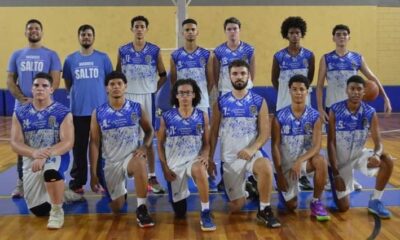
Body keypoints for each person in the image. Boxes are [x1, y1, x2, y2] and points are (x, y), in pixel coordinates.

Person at [316, 24, 392, 190]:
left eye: (344, 34)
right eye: (338, 34)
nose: (341, 37)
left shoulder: (357, 58)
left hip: (354, 108)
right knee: (333, 144)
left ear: (349, 37)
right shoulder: (326, 58)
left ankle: (348, 176)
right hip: (333, 109)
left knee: (352, 144)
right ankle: (333, 177)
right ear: (333, 38)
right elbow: (320, 85)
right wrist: (321, 109)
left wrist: (385, 97)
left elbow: (372, 77)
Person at [209, 59, 281, 228]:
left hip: (251, 154)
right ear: (229, 77)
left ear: (248, 76)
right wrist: (210, 159)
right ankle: (248, 188)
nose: (239, 77)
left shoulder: (258, 101)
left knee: (265, 166)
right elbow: (213, 133)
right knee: (236, 207)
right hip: (230, 159)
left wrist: (252, 149)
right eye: (235, 74)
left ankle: (264, 209)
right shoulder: (220, 102)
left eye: (242, 73)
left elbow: (265, 133)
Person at [89, 71, 155, 228]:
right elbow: (94, 143)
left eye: (119, 83)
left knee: (140, 162)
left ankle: (142, 208)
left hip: (131, 157)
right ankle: (120, 192)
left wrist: (144, 146)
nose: (116, 87)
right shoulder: (98, 113)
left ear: (125, 86)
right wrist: (92, 174)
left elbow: (150, 131)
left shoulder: (136, 108)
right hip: (111, 163)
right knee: (116, 208)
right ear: (107, 88)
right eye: (112, 84)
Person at [10, 72, 74, 229]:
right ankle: (62, 193)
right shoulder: (20, 113)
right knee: (38, 210)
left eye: (44, 85)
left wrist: (45, 155)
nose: (40, 88)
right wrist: (34, 153)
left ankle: (58, 211)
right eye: (36, 85)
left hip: (55, 154)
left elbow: (68, 142)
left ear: (51, 89)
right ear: (31, 89)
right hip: (32, 158)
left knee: (50, 172)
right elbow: (15, 143)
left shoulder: (62, 112)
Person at [7, 19, 62, 198]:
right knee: (22, 143)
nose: (33, 31)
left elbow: (55, 80)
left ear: (42, 32)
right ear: (25, 32)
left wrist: (41, 98)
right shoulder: (17, 54)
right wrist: (22, 98)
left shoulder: (51, 54)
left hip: (45, 105)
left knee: (50, 140)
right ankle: (22, 183)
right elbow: (9, 80)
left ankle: (53, 178)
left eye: (37, 28)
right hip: (22, 105)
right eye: (30, 28)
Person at [327, 75, 393, 218]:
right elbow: (330, 143)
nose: (356, 92)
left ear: (364, 92)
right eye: (352, 89)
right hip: (340, 161)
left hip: (358, 156)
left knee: (387, 160)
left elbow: (378, 143)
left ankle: (375, 200)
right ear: (346, 90)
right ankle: (332, 177)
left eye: (359, 89)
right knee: (343, 208)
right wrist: (336, 173)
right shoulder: (334, 110)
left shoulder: (370, 112)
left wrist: (376, 155)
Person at [157, 79, 216, 231]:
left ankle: (205, 211)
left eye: (188, 93)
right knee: (180, 212)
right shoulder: (167, 117)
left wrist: (205, 155)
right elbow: (159, 144)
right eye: (181, 93)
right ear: (176, 96)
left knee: (200, 168)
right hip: (174, 166)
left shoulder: (202, 116)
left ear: (194, 95)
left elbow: (207, 143)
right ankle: (182, 196)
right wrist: (164, 167)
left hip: (193, 161)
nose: (184, 96)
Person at [116, 15, 166, 194]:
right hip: (127, 97)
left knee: (149, 137)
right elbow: (118, 75)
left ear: (146, 29)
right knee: (126, 137)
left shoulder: (154, 50)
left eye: (142, 26)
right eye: (136, 26)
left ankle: (152, 176)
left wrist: (153, 90)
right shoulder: (123, 50)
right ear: (132, 29)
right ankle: (121, 175)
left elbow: (163, 75)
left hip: (147, 97)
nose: (139, 29)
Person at [271, 75, 330, 221]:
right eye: (295, 89)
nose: (298, 92)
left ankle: (316, 202)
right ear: (289, 91)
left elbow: (317, 146)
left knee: (321, 161)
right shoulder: (279, 116)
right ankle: (284, 189)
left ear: (307, 91)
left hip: (304, 162)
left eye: (302, 89)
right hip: (285, 164)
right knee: (291, 206)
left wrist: (299, 161)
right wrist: (279, 175)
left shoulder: (315, 116)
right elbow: (275, 147)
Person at [63, 24, 113, 194]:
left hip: (100, 112)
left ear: (93, 37)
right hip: (78, 111)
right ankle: (78, 181)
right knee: (79, 148)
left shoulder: (103, 58)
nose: (86, 37)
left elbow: (109, 82)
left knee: (99, 148)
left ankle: (100, 179)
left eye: (89, 34)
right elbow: (69, 83)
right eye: (83, 34)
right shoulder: (70, 60)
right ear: (79, 37)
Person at [271, 16, 315, 190]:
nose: (295, 35)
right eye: (291, 33)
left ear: (301, 33)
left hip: (304, 102)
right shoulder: (279, 56)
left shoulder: (309, 55)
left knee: (305, 137)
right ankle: (282, 170)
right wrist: (285, 94)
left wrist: (300, 93)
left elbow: (309, 78)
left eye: (297, 32)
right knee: (283, 138)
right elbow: (274, 79)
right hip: (283, 102)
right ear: (286, 35)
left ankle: (303, 174)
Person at [170, 18, 213, 113]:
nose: (190, 32)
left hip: (202, 102)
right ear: (182, 33)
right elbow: (174, 82)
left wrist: (200, 95)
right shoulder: (175, 55)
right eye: (187, 30)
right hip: (182, 101)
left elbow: (211, 81)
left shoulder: (206, 54)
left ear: (197, 32)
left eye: (193, 29)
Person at [213, 17, 255, 95]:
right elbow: (216, 74)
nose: (232, 31)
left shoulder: (249, 49)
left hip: (245, 90)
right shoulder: (219, 50)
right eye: (229, 29)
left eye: (235, 29)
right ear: (225, 31)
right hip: (226, 90)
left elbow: (252, 72)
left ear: (239, 30)